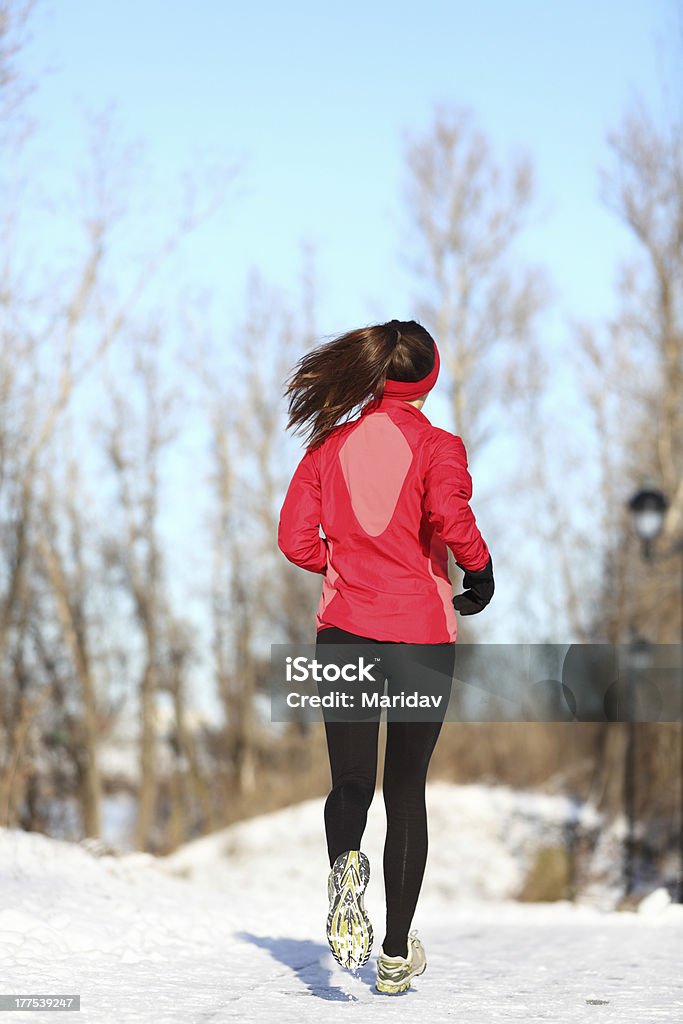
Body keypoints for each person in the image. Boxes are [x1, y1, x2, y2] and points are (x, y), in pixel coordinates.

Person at [277, 319, 494, 994]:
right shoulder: (437, 446)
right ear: (428, 378)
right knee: (405, 793)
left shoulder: (327, 447)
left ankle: (345, 866)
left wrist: (338, 565)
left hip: (343, 630)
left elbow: (293, 539)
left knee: (350, 784)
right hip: (419, 636)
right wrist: (479, 570)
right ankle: (394, 955)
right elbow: (449, 516)